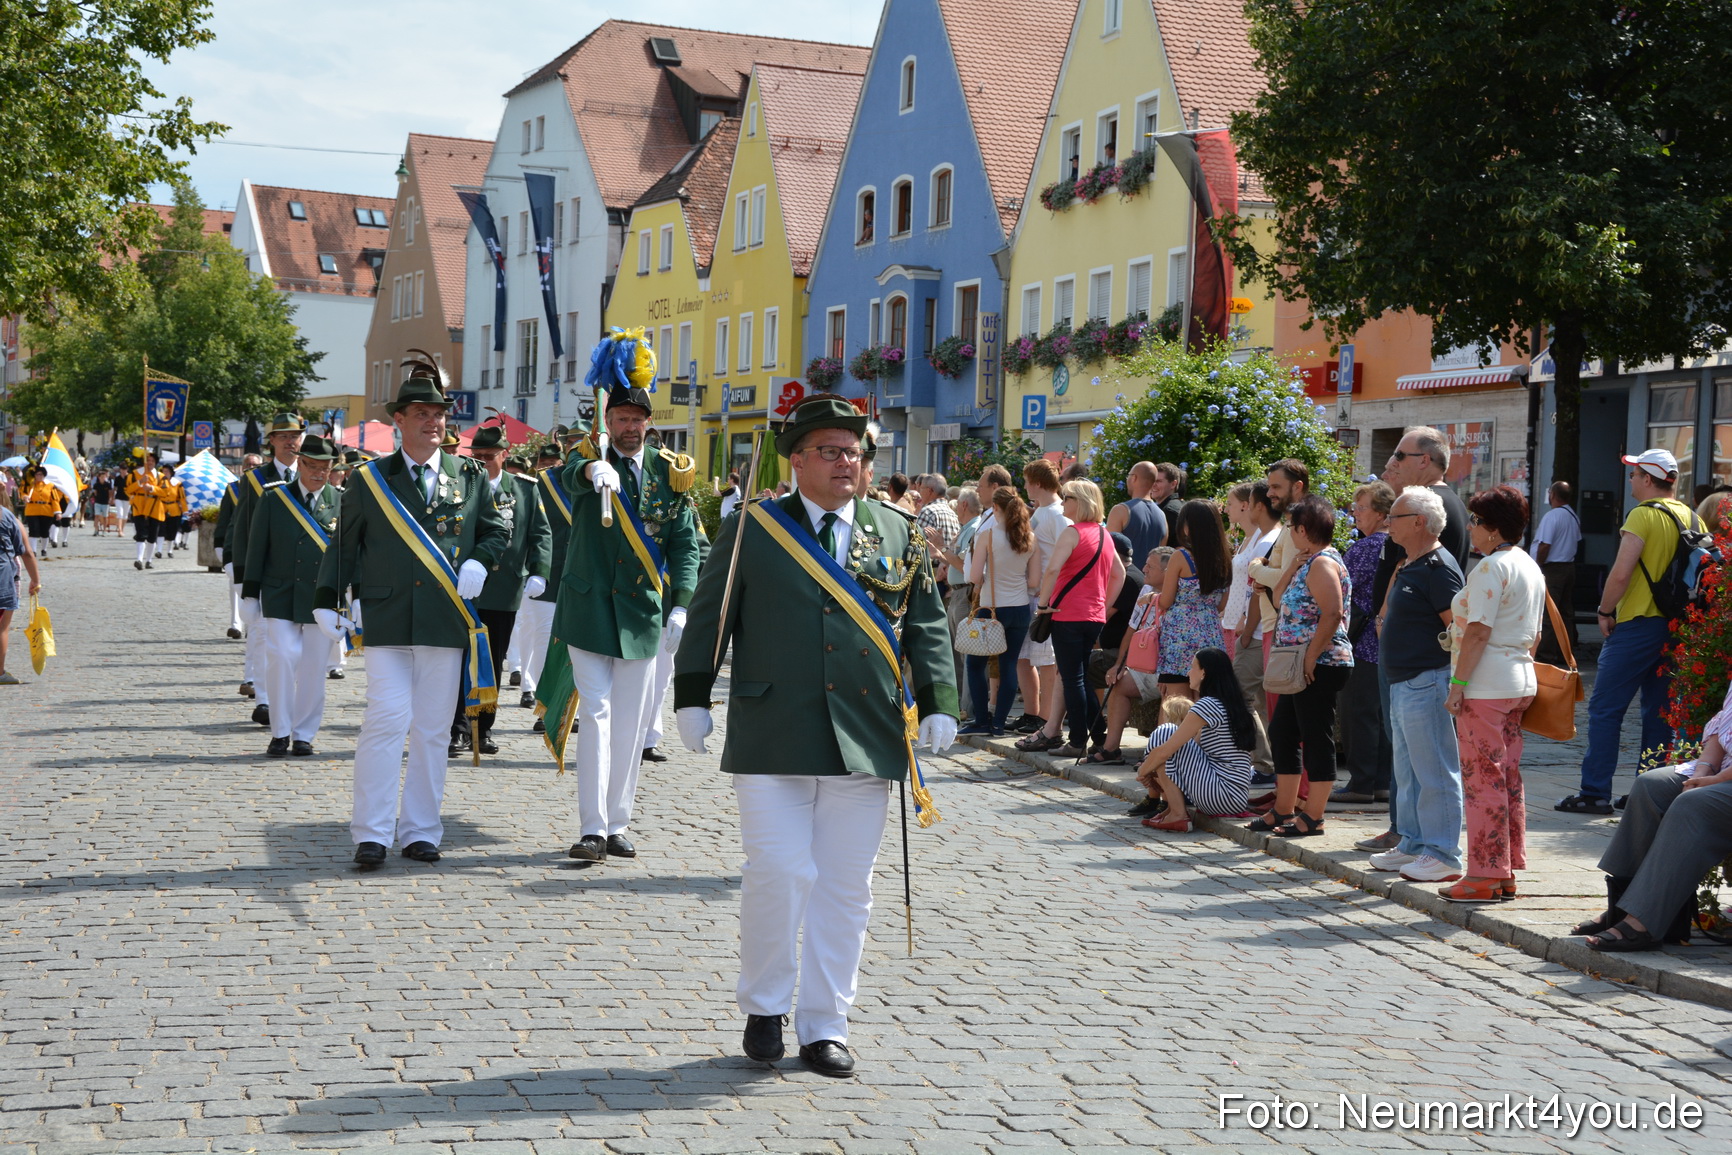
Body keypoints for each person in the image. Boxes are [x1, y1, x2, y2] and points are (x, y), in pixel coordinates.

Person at [672, 392, 957, 1079]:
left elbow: (924, 620)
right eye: (828, 450)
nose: (845, 462)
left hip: (865, 732)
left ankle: (826, 1022)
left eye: (853, 450)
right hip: (773, 731)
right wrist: (692, 693)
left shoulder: (896, 530)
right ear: (796, 459)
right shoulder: (752, 528)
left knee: (845, 885)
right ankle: (765, 1004)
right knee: (779, 868)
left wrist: (942, 697)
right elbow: (712, 612)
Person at [314, 366, 510, 867]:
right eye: (421, 413)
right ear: (399, 420)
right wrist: (326, 596)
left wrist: (478, 561)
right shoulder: (370, 479)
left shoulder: (467, 476)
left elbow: (495, 531)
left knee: (431, 730)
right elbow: (344, 544)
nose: (433, 422)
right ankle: (372, 833)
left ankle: (421, 829)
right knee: (385, 720)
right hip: (388, 618)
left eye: (439, 414)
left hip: (444, 622)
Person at [556, 346, 701, 864]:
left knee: (632, 723)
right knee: (595, 714)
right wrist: (593, 469)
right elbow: (567, 473)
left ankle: (618, 823)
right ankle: (592, 828)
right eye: (620, 418)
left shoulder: (670, 473)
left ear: (649, 422)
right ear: (609, 421)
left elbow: (685, 544)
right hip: (589, 608)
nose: (628, 427)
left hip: (642, 614)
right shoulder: (586, 455)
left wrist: (681, 604)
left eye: (637, 419)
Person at [1560, 448, 1701, 814]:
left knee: (1606, 709)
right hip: (1675, 627)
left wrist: (1604, 610)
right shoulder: (1691, 516)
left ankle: (1594, 793)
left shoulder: (1642, 516)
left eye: (1636, 474)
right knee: (1659, 712)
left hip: (1637, 623)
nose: (1632, 480)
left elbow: (1622, 572)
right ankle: (1648, 793)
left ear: (1650, 480)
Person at [1572, 680, 1732, 952]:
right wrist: (1703, 772)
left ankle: (1641, 921)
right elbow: (1723, 727)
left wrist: (1717, 779)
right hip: (1722, 773)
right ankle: (1624, 907)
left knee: (1692, 804)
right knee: (1651, 786)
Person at [1442, 486, 1545, 903]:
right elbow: (1535, 633)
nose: (1470, 528)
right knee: (1506, 778)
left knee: (1482, 779)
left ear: (1494, 527)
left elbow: (1479, 631)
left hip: (1486, 683)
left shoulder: (1490, 567)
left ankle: (1484, 873)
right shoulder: (1528, 564)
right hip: (1518, 678)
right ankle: (1503, 871)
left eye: (1477, 521)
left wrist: (1458, 685)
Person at [1368, 486, 1466, 881]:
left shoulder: (1438, 568)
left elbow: (1457, 630)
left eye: (1395, 517)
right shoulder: (1411, 563)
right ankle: (1412, 843)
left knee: (1435, 771)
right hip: (1403, 681)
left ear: (1420, 523)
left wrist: (1456, 684)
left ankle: (1443, 853)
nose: (1388, 523)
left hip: (1427, 681)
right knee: (1407, 771)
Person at [1248, 495, 1352, 838]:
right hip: (1299, 664)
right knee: (1283, 733)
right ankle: (1284, 808)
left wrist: (1310, 657)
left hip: (1319, 663)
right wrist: (1291, 568)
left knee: (1315, 737)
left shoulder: (1324, 564)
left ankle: (1314, 816)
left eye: (1292, 527)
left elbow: (1333, 613)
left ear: (1303, 529)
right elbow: (1276, 599)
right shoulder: (1309, 562)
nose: (1289, 532)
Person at [448, 424, 551, 757]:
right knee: (460, 659)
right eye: (476, 455)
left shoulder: (523, 489)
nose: (481, 461)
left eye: (488, 456)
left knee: (492, 661)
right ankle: (457, 729)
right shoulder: (461, 484)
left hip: (504, 587)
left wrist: (539, 572)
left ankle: (483, 729)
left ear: (504, 455)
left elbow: (540, 533)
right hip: (463, 587)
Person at [241, 434, 343, 758]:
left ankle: (303, 734)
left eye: (325, 468)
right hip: (280, 591)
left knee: (314, 667)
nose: (318, 473)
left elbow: (348, 553)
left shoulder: (341, 501)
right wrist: (249, 594)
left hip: (321, 596)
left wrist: (351, 598)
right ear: (300, 463)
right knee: (281, 657)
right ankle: (280, 731)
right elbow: (256, 547)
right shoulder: (275, 499)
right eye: (312, 466)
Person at [1021, 479, 1125, 759]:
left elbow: (1052, 570)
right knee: (1078, 676)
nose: (1063, 502)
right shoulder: (1105, 535)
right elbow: (1120, 575)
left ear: (1080, 502)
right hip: (1093, 617)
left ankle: (1078, 740)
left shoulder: (1072, 532)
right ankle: (1098, 733)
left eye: (1067, 498)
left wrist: (1043, 604)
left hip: (1066, 613)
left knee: (1072, 678)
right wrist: (1103, 605)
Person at [233, 418, 307, 727]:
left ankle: (290, 699)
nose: (291, 441)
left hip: (303, 572)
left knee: (297, 646)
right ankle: (264, 700)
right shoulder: (255, 479)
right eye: (284, 436)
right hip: (266, 571)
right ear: (272, 441)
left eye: (296, 436)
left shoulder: (310, 473)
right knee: (264, 638)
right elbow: (244, 530)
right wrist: (243, 579)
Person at [1135, 649, 1257, 831]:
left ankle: (1177, 813)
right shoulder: (1227, 703)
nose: (1188, 673)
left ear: (1204, 673)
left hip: (1221, 794)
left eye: (1192, 667)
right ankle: (1171, 808)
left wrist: (1143, 771)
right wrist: (1152, 768)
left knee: (1165, 732)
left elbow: (1166, 750)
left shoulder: (1209, 705)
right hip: (1232, 797)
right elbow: (1188, 751)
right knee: (1165, 745)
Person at [959, 485, 1041, 736]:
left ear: (996, 507)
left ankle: (981, 719)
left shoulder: (989, 536)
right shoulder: (1029, 538)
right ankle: (999, 724)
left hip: (991, 608)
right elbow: (1034, 582)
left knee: (975, 664)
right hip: (1019, 609)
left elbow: (975, 576)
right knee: (1009, 666)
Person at [1333, 482, 1395, 804]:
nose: (1354, 514)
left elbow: (1342, 593)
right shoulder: (1397, 545)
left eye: (1362, 508)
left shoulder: (1365, 548)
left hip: (1361, 642)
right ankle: (1381, 782)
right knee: (1382, 716)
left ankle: (1361, 784)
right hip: (1389, 642)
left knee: (1358, 714)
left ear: (1383, 514)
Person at [1092, 546, 1172, 770]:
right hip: (1145, 663)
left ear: (1168, 571)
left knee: (1170, 691)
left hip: (1167, 666)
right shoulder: (1146, 588)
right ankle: (1110, 749)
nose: (1144, 569)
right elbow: (1132, 628)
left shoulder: (1176, 594)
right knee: (1119, 683)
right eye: (1145, 563)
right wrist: (1119, 664)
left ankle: (1155, 755)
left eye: (1151, 566)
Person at [1015, 460, 1069, 739]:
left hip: (1045, 597)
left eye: (1026, 481)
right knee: (1024, 657)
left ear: (1036, 482)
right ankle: (1033, 712)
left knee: (1047, 661)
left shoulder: (1058, 514)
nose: (1024, 486)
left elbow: (1066, 557)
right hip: (1032, 594)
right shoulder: (1043, 511)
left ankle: (1046, 717)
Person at [1232, 481, 1280, 783]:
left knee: (1237, 695)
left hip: (1258, 630)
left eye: (1249, 503)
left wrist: (1248, 631)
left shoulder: (1266, 542)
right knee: (1259, 701)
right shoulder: (1260, 538)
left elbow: (1257, 592)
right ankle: (1266, 763)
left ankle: (1262, 763)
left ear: (1258, 506)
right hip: (1255, 629)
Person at [1156, 499, 1230, 696]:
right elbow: (1221, 604)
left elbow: (1165, 601)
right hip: (1211, 633)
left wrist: (1150, 599)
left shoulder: (1181, 557)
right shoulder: (1224, 557)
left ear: (1187, 526)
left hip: (1179, 636)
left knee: (1177, 701)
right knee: (1206, 699)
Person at [522, 443, 569, 729]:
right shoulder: (539, 485)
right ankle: (545, 708)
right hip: (546, 578)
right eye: (545, 461)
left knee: (578, 650)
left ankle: (569, 710)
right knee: (543, 643)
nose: (549, 466)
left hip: (581, 582)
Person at [931, 488, 981, 720]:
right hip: (958, 594)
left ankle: (967, 707)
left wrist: (941, 548)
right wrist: (943, 554)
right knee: (957, 653)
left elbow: (963, 566)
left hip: (965, 594)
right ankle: (960, 703)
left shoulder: (973, 528)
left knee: (966, 654)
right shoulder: (966, 528)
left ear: (962, 505)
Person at [1529, 480, 1581, 666]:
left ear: (1552, 495)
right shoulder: (1573, 516)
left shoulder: (1552, 517)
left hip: (1552, 568)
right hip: (1568, 567)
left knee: (1548, 614)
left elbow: (1545, 545)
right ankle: (1564, 652)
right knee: (1565, 613)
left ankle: (1546, 655)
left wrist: (1538, 565)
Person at [216, 453, 264, 646]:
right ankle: (236, 624)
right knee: (236, 586)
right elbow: (225, 519)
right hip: (238, 544)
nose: (250, 467)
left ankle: (252, 625)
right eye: (247, 464)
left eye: (254, 464)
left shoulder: (268, 488)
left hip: (260, 545)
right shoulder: (233, 489)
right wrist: (220, 546)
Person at [0, 500, 42, 685]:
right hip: (2, 576)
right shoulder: (8, 517)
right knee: (2, 628)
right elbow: (26, 552)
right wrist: (35, 580)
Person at [1105, 461, 1170, 573]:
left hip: (1124, 581)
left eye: (1128, 476)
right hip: (1148, 583)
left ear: (1134, 478)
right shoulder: (1162, 515)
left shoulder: (1121, 510)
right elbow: (1161, 554)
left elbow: (1108, 552)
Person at [22, 466, 59, 557]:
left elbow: (54, 499)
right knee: (33, 530)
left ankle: (44, 549)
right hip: (32, 510)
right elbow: (23, 493)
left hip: (46, 510)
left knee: (44, 531)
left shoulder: (50, 485)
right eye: (37, 474)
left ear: (44, 475)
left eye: (41, 474)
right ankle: (33, 551)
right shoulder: (29, 485)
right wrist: (24, 497)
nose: (39, 476)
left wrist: (57, 512)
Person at [154, 463, 187, 556]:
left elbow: (182, 498)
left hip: (174, 509)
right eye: (163, 471)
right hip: (161, 508)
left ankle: (169, 550)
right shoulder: (159, 482)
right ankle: (159, 551)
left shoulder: (177, 483)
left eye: (167, 471)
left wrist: (185, 510)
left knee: (172, 530)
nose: (165, 473)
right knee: (161, 530)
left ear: (171, 473)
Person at [1151, 462, 1185, 528]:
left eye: (1158, 481)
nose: (1153, 485)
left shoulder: (1169, 512)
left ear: (1173, 484)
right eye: (1152, 480)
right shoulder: (1182, 505)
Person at [90, 470, 115, 536]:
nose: (103, 478)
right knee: (96, 516)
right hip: (98, 502)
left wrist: (110, 499)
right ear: (99, 477)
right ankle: (96, 529)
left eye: (104, 477)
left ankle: (104, 530)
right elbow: (95, 492)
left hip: (105, 502)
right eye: (101, 477)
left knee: (105, 516)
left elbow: (110, 492)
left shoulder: (108, 484)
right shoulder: (96, 485)